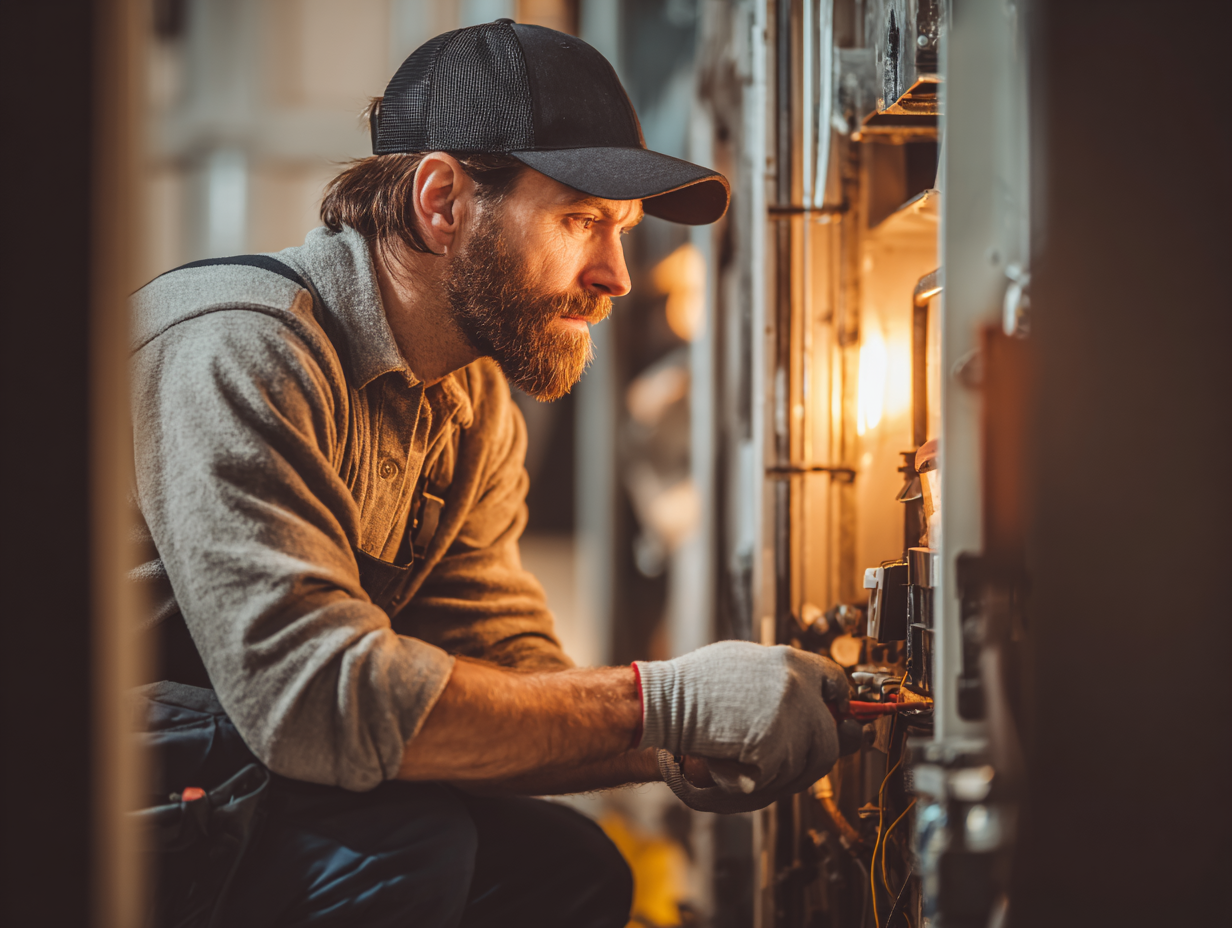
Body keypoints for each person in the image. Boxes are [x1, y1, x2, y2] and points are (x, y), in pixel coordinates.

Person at [131, 19, 852, 928]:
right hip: (75, 788)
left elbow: (502, 662)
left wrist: (682, 743)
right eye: (582, 221)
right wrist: (657, 705)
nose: (617, 276)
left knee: (568, 870)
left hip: (221, 773)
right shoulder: (238, 348)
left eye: (620, 232)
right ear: (443, 203)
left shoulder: (469, 406)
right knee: (409, 844)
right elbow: (311, 698)